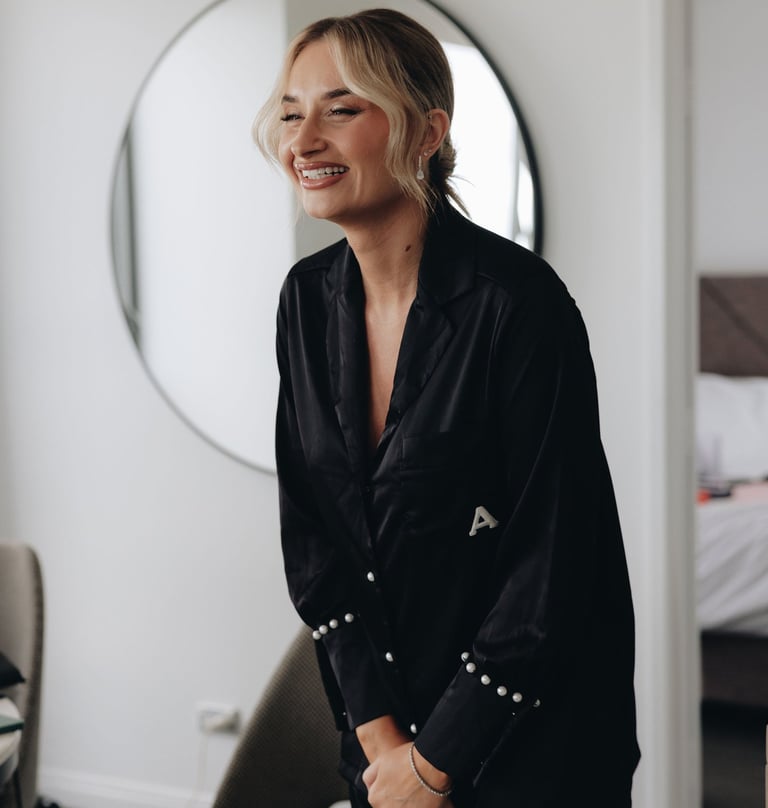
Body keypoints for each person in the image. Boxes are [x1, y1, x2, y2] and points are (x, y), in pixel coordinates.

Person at [254, 8, 640, 807]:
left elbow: (553, 565)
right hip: (383, 741)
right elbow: (315, 543)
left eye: (343, 108)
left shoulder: (520, 307)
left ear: (426, 132)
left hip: (532, 751)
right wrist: (385, 744)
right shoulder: (305, 301)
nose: (303, 140)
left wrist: (436, 765)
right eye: (292, 112)